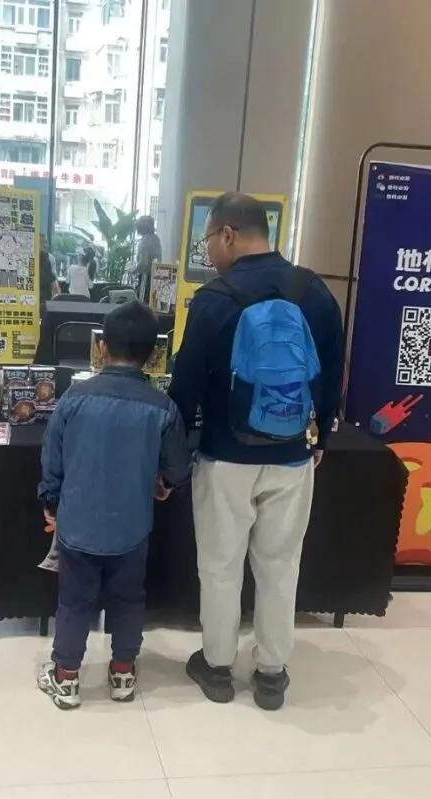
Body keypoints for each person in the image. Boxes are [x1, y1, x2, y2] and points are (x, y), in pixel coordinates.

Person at [169, 192, 344, 711]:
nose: (207, 252)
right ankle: (270, 674)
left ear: (227, 234)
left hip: (225, 456)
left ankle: (218, 667)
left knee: (220, 565)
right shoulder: (314, 292)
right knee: (280, 565)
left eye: (207, 240)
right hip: (293, 456)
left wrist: (175, 451)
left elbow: (186, 385)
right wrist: (320, 439)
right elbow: (332, 374)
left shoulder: (214, 298)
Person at [37, 300, 191, 710]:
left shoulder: (73, 399)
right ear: (153, 354)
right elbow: (178, 467)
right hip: (132, 528)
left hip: (78, 526)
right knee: (128, 600)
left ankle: (66, 677)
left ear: (101, 347)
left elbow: (52, 458)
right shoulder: (163, 407)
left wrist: (50, 500)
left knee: (74, 602)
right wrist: (164, 485)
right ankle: (123, 671)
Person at [134, 215, 162, 302]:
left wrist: (133, 270)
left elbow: (143, 263)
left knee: (142, 302)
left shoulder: (145, 241)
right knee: (152, 302)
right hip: (156, 276)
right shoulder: (156, 238)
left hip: (146, 276)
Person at [39, 234, 60, 303]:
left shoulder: (49, 258)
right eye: (42, 242)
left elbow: (54, 281)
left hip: (45, 299)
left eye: (46, 242)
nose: (45, 245)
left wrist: (55, 300)